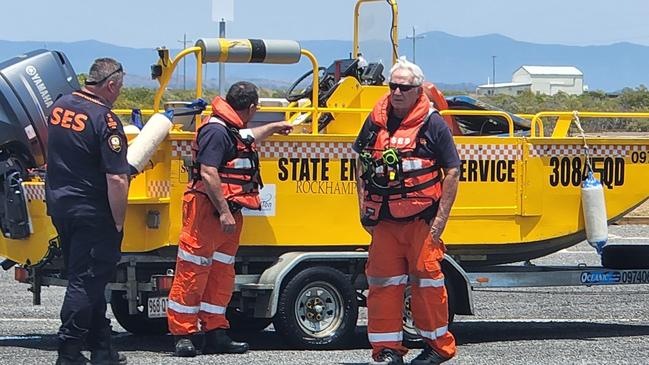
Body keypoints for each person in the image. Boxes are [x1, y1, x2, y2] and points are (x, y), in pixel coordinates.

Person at [167, 81, 292, 357]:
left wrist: (272, 128)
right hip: (208, 212)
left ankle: (215, 332)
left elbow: (247, 137)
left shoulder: (229, 127)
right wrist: (224, 212)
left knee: (221, 275)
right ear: (250, 107)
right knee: (192, 272)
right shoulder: (216, 131)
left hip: (227, 213)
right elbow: (209, 173)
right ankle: (183, 334)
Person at [353, 57, 460, 365]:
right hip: (384, 221)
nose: (396, 92)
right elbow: (360, 160)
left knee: (427, 283)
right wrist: (364, 207)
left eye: (404, 87)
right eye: (392, 86)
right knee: (382, 285)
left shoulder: (433, 123)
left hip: (421, 221)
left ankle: (438, 347)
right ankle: (387, 351)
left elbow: (452, 172)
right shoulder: (376, 120)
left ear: (418, 90)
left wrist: (440, 222)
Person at [46, 58, 129, 365]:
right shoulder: (105, 120)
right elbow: (117, 177)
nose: (119, 93)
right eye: (119, 87)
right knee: (85, 282)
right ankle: (68, 352)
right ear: (110, 85)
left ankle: (101, 347)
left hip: (60, 205)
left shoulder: (60, 106)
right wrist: (118, 221)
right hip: (92, 211)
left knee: (89, 279)